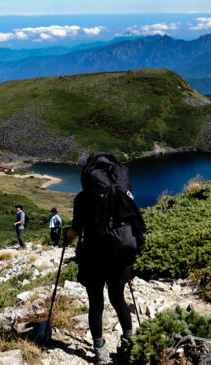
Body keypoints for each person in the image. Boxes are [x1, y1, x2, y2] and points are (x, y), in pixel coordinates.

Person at [65, 152, 145, 365]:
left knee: (96, 304)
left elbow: (75, 230)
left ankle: (100, 352)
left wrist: (65, 235)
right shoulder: (123, 193)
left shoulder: (82, 199)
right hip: (121, 256)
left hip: (94, 257)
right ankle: (130, 341)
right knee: (118, 299)